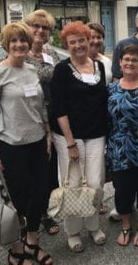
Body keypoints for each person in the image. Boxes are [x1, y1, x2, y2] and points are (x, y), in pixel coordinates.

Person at [0, 22, 53, 265]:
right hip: (11, 146)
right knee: (16, 200)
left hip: (37, 143)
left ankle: (32, 243)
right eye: (14, 41)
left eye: (23, 40)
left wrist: (47, 134)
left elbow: (39, 106)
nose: (19, 45)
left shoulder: (32, 71)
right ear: (6, 44)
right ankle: (15, 249)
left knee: (40, 194)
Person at [50, 21, 108, 252]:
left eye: (81, 40)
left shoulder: (99, 67)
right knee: (73, 184)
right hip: (68, 136)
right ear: (66, 45)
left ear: (88, 40)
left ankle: (93, 226)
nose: (78, 45)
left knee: (95, 183)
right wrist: (71, 142)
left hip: (96, 134)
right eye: (72, 42)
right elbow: (58, 108)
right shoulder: (61, 70)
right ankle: (73, 232)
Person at [107, 45, 138, 247]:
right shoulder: (111, 88)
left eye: (134, 60)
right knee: (122, 190)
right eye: (126, 59)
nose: (129, 63)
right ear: (120, 62)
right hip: (119, 148)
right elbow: (106, 119)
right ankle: (126, 225)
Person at [24, 9, 61, 237]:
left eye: (45, 28)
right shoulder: (18, 52)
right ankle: (29, 214)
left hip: (54, 118)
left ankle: (45, 213)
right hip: (30, 119)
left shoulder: (53, 55)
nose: (40, 31)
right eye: (35, 26)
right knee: (29, 170)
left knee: (48, 169)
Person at [87, 22, 112, 216]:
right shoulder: (75, 63)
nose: (95, 40)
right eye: (91, 37)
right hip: (84, 121)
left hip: (104, 118)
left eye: (98, 37)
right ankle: (83, 200)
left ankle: (99, 198)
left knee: (99, 165)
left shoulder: (106, 62)